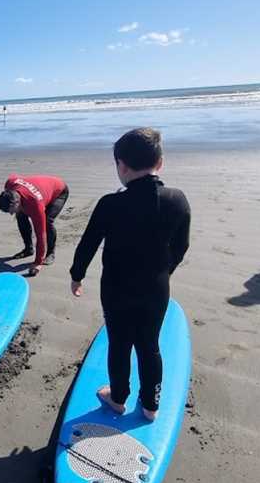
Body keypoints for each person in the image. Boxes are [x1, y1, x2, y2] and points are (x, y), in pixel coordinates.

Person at [69, 128, 190, 421]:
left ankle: (118, 398)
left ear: (121, 165)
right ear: (160, 163)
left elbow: (88, 244)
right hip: (155, 287)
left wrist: (77, 275)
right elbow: (181, 245)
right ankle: (150, 405)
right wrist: (165, 271)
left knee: (120, 344)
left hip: (116, 288)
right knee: (150, 345)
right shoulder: (177, 199)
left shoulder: (110, 204)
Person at [0, 174, 69, 276]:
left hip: (59, 191)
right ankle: (28, 249)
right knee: (20, 215)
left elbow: (41, 235)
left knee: (47, 221)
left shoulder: (35, 206)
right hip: (42, 189)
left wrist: (38, 262)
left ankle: (51, 253)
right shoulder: (10, 183)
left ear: (16, 202)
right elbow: (14, 177)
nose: (10, 214)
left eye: (11, 210)